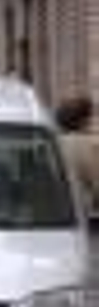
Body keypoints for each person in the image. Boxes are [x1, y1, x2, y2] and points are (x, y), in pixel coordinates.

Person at [55, 94, 99, 222]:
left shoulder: (53, 141)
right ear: (82, 120)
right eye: (91, 117)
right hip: (80, 214)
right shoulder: (87, 145)